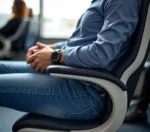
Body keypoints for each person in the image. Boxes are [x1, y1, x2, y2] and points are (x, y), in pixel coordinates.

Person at [0, 0, 141, 121]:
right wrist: (52, 48)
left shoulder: (123, 2)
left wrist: (55, 55)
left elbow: (101, 54)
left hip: (85, 91)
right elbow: (82, 42)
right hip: (71, 74)